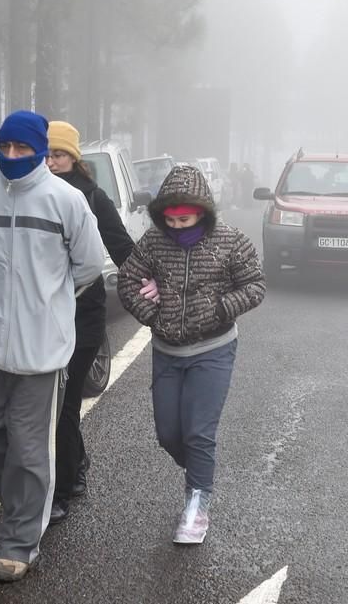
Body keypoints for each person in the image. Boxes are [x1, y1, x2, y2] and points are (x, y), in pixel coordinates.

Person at [0, 110, 106, 582]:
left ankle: (19, 543)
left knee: (29, 445)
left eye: (22, 149)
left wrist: (48, 304)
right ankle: (26, 503)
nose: (12, 157)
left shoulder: (66, 200)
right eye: (6, 148)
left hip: (42, 350)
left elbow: (88, 266)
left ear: (40, 151)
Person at [117, 165, 266, 544]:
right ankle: (201, 470)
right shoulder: (153, 242)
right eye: (171, 219)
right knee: (169, 434)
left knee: (199, 433)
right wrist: (152, 314)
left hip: (213, 349)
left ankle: (197, 505)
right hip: (166, 351)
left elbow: (255, 286)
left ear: (201, 211)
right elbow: (128, 282)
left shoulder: (232, 242)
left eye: (185, 219)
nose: (178, 226)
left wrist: (219, 308)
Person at [45, 120, 135, 525]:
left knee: (63, 402)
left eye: (58, 155)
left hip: (84, 313)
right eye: (45, 155)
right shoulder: (33, 197)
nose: (50, 163)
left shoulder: (93, 198)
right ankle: (76, 466)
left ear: (74, 158)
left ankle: (62, 490)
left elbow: (122, 249)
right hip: (46, 315)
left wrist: (152, 293)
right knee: (57, 404)